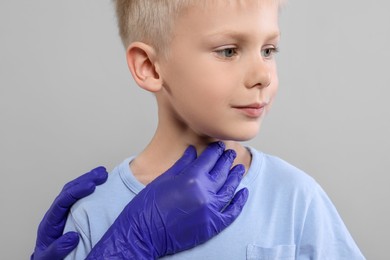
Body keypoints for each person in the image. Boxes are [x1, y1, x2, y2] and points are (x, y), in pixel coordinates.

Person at [64, 0, 366, 259]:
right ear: (150, 67)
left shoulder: (296, 198)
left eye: (268, 50)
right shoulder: (95, 213)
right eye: (228, 51)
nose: (263, 75)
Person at [32, 144, 247, 259]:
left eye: (268, 57)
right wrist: (135, 242)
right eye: (227, 56)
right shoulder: (91, 209)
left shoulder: (280, 182)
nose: (263, 77)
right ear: (149, 68)